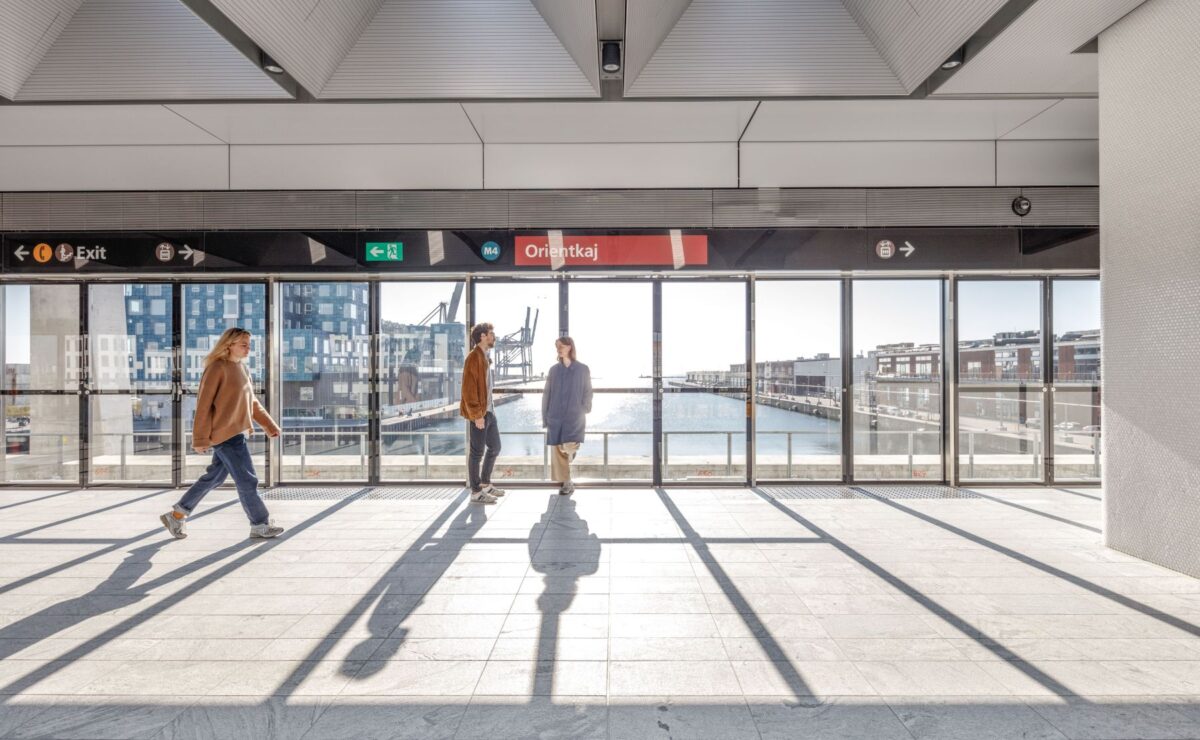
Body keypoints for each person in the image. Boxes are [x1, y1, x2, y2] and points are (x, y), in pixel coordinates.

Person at [159, 327, 283, 540]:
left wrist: (269, 424)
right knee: (247, 480)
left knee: (213, 478)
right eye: (243, 344)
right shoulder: (217, 368)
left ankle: (177, 515)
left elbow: (251, 402)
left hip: (238, 432)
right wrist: (199, 439)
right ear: (229, 345)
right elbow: (204, 405)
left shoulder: (242, 368)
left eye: (249, 344)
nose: (248, 348)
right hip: (226, 435)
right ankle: (260, 524)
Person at [461, 322, 505, 504]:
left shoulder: (484, 356)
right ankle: (476, 491)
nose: (493, 337)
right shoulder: (473, 357)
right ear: (482, 336)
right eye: (491, 334)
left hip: (489, 411)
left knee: (495, 447)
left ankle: (486, 483)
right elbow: (468, 389)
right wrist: (477, 415)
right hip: (479, 413)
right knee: (477, 453)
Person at [542, 336, 592, 495]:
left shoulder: (583, 369)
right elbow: (547, 394)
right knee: (557, 452)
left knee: (569, 447)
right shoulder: (554, 370)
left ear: (570, 347)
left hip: (574, 416)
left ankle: (571, 455)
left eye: (561, 346)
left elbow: (588, 391)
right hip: (555, 416)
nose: (559, 349)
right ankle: (567, 483)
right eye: (557, 346)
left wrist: (584, 408)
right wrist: (546, 416)